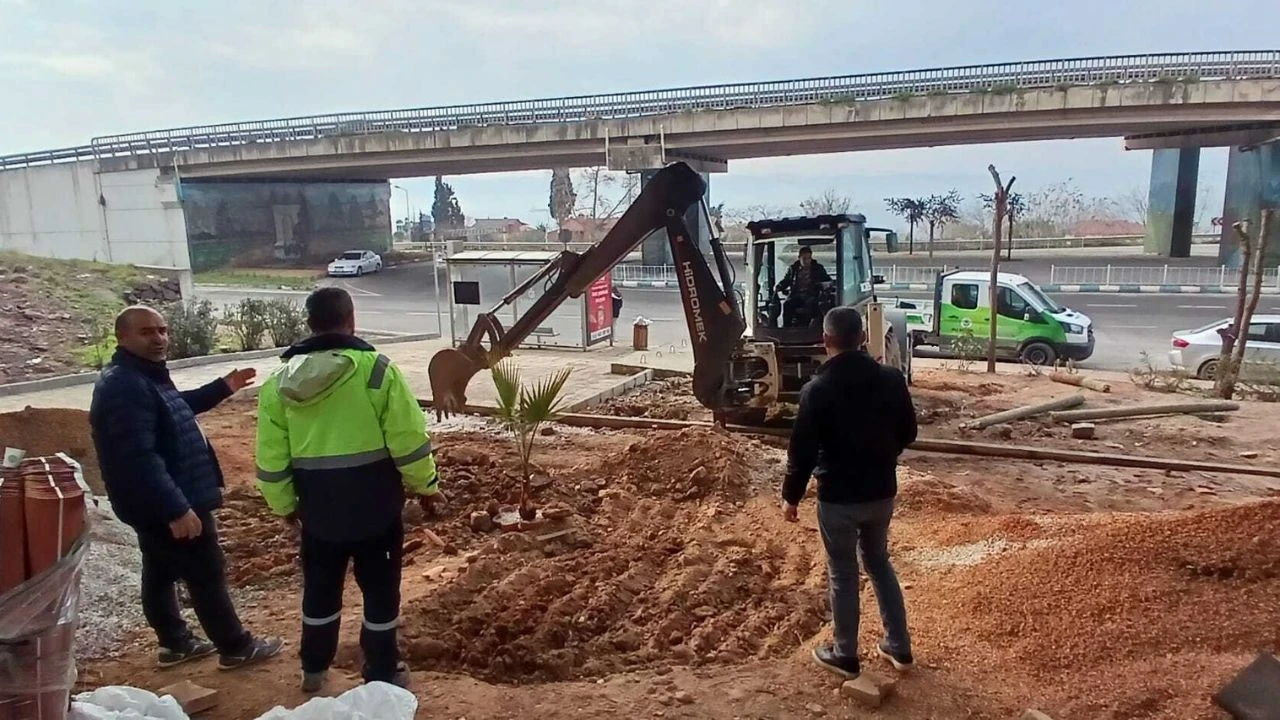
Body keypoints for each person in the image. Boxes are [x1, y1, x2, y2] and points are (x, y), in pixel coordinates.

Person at [254, 287, 444, 693]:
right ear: (351, 319)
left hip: (318, 513)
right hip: (376, 508)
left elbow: (271, 459)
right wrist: (426, 487)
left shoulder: (277, 385)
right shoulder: (377, 371)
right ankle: (381, 670)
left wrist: (285, 505)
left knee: (320, 591)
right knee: (379, 593)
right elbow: (408, 440)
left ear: (309, 324)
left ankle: (313, 669)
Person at [89, 306, 284, 671]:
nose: (159, 338)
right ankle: (235, 646)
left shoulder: (143, 377)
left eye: (163, 330)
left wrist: (223, 388)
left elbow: (175, 409)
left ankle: (174, 643)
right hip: (169, 500)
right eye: (148, 332)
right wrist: (176, 508)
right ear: (122, 338)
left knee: (160, 570)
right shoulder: (124, 387)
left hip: (155, 500)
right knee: (205, 571)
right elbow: (138, 457)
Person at [781, 306, 918, 679]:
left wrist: (791, 496)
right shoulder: (891, 379)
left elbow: (802, 452)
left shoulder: (817, 390)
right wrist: (884, 455)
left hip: (838, 499)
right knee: (879, 563)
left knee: (843, 573)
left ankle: (845, 654)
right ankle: (900, 647)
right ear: (861, 338)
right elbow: (909, 433)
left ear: (826, 340)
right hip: (881, 494)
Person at [776, 247, 833, 327]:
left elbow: (827, 280)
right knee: (787, 304)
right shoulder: (793, 269)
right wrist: (779, 286)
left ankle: (813, 328)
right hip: (796, 295)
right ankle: (786, 328)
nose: (807, 261)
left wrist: (822, 286)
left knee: (813, 304)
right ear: (799, 258)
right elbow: (787, 280)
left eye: (809, 258)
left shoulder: (818, 268)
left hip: (811, 294)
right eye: (804, 258)